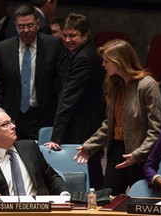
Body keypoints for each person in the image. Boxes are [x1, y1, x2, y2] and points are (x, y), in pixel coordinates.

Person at [73, 39, 161, 196]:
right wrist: (90, 146)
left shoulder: (147, 85)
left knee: (140, 204)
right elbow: (110, 124)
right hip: (116, 151)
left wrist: (137, 154)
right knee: (108, 200)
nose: (103, 65)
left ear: (119, 61)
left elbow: (156, 130)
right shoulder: (115, 84)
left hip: (140, 156)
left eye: (106, 61)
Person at [44, 13, 106, 190]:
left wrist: (56, 137)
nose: (68, 40)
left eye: (73, 36)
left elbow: (68, 99)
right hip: (87, 123)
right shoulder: (82, 52)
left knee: (84, 172)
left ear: (85, 35)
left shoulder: (83, 59)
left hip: (83, 126)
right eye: (65, 35)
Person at [0, 4, 67, 140]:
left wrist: (59, 119)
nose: (25, 30)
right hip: (10, 118)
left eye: (30, 25)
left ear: (37, 23)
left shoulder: (53, 45)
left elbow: (62, 85)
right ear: (15, 25)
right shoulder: (3, 49)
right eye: (21, 26)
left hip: (42, 117)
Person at [0, 108, 68, 198]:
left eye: (12, 122)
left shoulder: (30, 147)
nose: (13, 126)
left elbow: (51, 176)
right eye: (6, 124)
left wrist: (64, 193)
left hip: (38, 210)